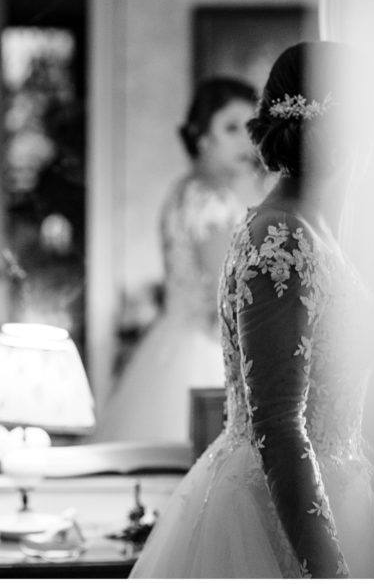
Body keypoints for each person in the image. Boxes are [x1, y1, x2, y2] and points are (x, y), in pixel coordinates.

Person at [131, 42, 374, 578]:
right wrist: (328, 569)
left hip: (337, 490)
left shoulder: (319, 230)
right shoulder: (280, 236)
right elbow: (280, 425)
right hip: (276, 520)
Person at [95, 77, 263, 444]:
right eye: (231, 127)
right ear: (202, 135)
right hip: (203, 347)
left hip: (172, 343)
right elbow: (227, 290)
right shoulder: (210, 199)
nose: (244, 140)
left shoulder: (186, 190)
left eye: (249, 127)